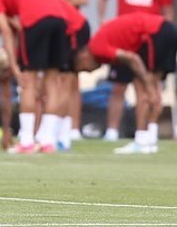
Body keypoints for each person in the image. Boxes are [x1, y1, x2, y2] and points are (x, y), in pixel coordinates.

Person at [0, 0, 71, 154]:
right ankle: (47, 141)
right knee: (52, 81)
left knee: (28, 80)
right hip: (61, 19)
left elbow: (5, 29)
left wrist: (14, 66)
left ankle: (26, 142)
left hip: (35, 22)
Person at [97, 0, 174, 141]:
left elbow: (168, 9)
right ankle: (112, 131)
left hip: (151, 40)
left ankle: (149, 132)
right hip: (125, 41)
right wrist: (103, 21)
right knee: (118, 86)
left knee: (149, 85)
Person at [75, 13, 177, 154]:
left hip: (153, 33)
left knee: (144, 90)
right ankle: (151, 140)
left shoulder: (96, 47)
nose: (89, 71)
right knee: (155, 89)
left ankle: (141, 141)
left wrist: (146, 83)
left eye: (84, 68)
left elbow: (133, 58)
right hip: (164, 29)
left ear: (83, 55)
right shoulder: (104, 42)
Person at [29, 0, 88, 141]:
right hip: (48, 29)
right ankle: (44, 129)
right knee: (47, 80)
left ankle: (72, 129)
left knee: (72, 79)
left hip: (72, 28)